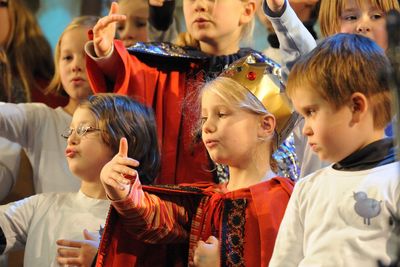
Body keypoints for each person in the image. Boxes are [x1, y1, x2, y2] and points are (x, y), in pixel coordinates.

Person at [96, 53, 296, 266]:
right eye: (204, 118)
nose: (206, 127)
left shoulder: (285, 201)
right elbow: (155, 220)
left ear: (265, 126)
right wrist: (123, 189)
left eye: (221, 114)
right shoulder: (207, 201)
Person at [86, 0, 298, 185]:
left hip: (239, 205)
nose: (200, 5)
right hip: (172, 210)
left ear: (247, 10)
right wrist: (106, 54)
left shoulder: (263, 75)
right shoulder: (165, 64)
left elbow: (279, 159)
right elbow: (129, 74)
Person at [269, 33, 399, 267]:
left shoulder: (394, 181)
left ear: (356, 107)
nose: (306, 129)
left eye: (311, 112)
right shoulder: (307, 188)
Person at [0, 93, 160, 267]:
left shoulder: (139, 223)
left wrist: (103, 260)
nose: (71, 139)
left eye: (84, 130)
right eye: (70, 131)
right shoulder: (41, 206)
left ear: (126, 139)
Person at [263, 0, 400, 177]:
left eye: (376, 16)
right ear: (331, 23)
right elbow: (301, 53)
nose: (363, 25)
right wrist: (281, 13)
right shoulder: (320, 76)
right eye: (351, 17)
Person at [0, 16, 98, 195]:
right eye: (67, 57)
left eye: (87, 55)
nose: (75, 65)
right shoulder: (41, 119)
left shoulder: (121, 126)